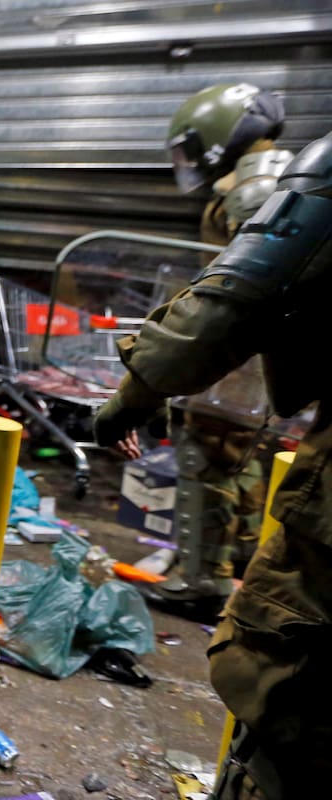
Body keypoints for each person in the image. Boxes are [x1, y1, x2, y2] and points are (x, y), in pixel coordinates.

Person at [92, 131, 332, 798]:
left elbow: (234, 297)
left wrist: (139, 389)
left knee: (290, 696)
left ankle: (204, 577)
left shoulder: (277, 185)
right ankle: (211, 573)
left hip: (233, 390)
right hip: (250, 397)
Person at [142, 83, 291, 611]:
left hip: (238, 357)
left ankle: (203, 584)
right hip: (260, 360)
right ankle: (230, 570)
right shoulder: (280, 180)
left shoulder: (253, 191)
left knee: (204, 457)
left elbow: (239, 288)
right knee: (242, 462)